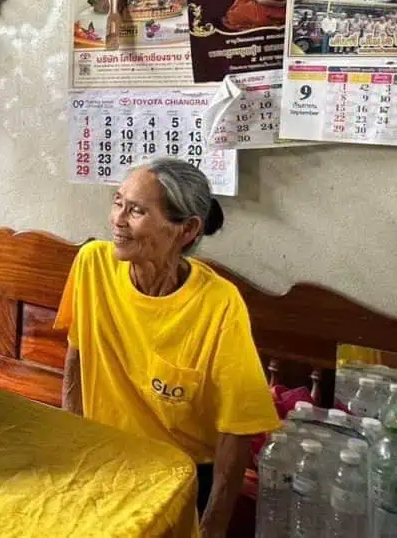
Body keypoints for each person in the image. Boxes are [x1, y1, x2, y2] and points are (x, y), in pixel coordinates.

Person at [54, 158, 279, 538]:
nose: (117, 220)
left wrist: (212, 528)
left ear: (186, 230)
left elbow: (237, 429)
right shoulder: (92, 265)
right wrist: (75, 447)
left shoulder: (219, 304)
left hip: (181, 477)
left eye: (137, 210)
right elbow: (76, 358)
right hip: (105, 458)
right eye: (118, 201)